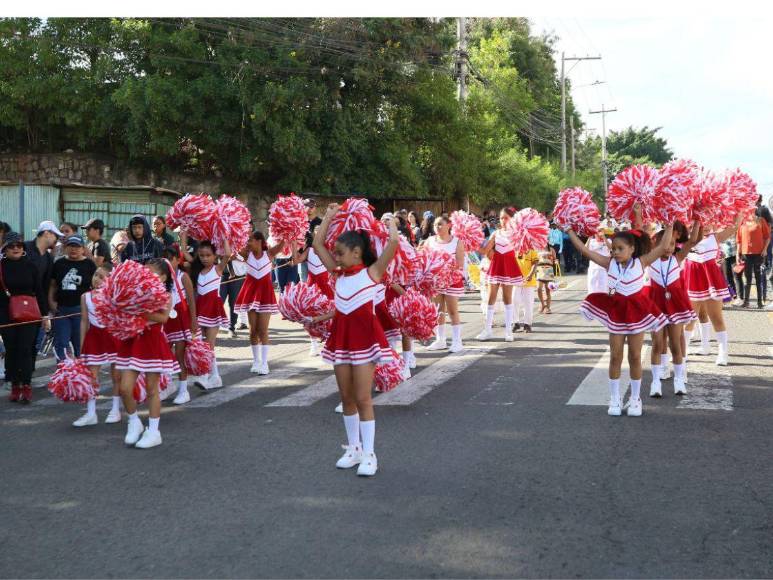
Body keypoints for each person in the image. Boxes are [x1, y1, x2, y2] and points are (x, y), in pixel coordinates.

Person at [309, 204, 399, 477]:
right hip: (342, 341)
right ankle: (354, 449)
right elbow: (317, 245)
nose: (335, 256)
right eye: (335, 253)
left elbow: (393, 244)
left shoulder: (372, 273)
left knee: (363, 398)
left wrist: (390, 223)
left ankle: (370, 454)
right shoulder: (338, 274)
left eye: (340, 252)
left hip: (365, 342)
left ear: (357, 252)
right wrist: (328, 216)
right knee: (346, 398)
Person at [566, 217, 674, 418]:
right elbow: (585, 251)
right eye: (614, 249)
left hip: (636, 313)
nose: (615, 252)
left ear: (632, 249)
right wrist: (569, 230)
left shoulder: (641, 262)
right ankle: (615, 398)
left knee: (635, 356)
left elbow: (662, 248)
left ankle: (635, 398)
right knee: (616, 356)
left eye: (620, 249)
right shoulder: (609, 264)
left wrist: (669, 225)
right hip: (616, 313)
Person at [117, 259, 179, 449]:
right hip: (133, 341)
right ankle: (134, 421)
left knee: (152, 389)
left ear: (163, 277)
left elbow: (163, 317)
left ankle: (154, 432)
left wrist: (138, 310)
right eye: (144, 273)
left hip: (152, 342)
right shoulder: (134, 293)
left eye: (151, 273)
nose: (145, 277)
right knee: (124, 388)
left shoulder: (166, 295)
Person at [648, 222, 701, 397]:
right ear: (655, 243)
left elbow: (692, 241)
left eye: (672, 244)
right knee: (657, 343)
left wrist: (698, 219)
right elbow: (641, 231)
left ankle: (679, 379)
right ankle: (655, 382)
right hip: (656, 304)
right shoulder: (650, 259)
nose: (669, 248)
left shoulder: (677, 258)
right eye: (665, 244)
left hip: (675, 305)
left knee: (675, 343)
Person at [683, 215, 741, 365]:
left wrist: (741, 209)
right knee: (689, 318)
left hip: (711, 281)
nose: (706, 226)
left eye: (708, 222)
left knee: (716, 317)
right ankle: (682, 352)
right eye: (701, 223)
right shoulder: (686, 240)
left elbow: (734, 227)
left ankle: (723, 353)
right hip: (692, 281)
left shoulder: (715, 237)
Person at [72, 264, 122, 427]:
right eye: (95, 275)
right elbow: (84, 321)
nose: (97, 279)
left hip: (113, 336)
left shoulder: (115, 296)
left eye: (102, 277)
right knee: (91, 376)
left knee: (116, 375)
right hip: (94, 337)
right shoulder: (85, 297)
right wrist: (82, 345)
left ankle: (115, 409)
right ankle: (91, 412)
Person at [0, 232, 44, 404]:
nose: (16, 248)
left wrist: (45, 315)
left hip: (29, 313)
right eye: (11, 246)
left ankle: (26, 385)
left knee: (26, 349)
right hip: (5, 314)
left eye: (19, 245)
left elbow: (39, 291)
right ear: (5, 249)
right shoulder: (1, 266)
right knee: (11, 349)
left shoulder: (31, 266)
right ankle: (14, 385)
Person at [234, 231, 282, 375]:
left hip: (265, 294)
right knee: (252, 330)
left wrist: (289, 228)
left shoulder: (269, 254)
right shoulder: (247, 254)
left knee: (263, 330)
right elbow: (232, 246)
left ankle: (264, 363)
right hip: (251, 293)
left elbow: (283, 243)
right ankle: (256, 361)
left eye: (250, 240)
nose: (248, 242)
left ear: (259, 241)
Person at [476, 207, 523, 342]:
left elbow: (523, 249)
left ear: (512, 219)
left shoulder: (517, 234)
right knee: (491, 298)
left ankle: (508, 331)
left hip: (508, 267)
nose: (503, 220)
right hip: (496, 266)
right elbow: (485, 250)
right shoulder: (496, 233)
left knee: (507, 299)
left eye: (506, 218)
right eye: (501, 218)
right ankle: (487, 330)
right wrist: (472, 242)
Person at [190, 239, 231, 389]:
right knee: (202, 344)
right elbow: (185, 254)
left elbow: (228, 254)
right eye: (201, 255)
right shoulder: (197, 271)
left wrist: (224, 237)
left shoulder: (217, 269)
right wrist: (184, 235)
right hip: (201, 309)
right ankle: (215, 377)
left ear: (215, 256)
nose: (205, 258)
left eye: (208, 255)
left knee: (209, 344)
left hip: (213, 309)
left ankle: (205, 376)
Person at [49, 235, 97, 361]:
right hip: (61, 309)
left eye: (77, 247)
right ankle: (63, 370)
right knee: (61, 344)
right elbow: (53, 285)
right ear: (65, 248)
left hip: (81, 311)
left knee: (80, 344)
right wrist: (51, 302)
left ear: (83, 249)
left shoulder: (89, 264)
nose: (73, 249)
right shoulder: (59, 263)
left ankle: (81, 370)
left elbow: (96, 287)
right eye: (71, 246)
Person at [161, 247, 198, 405]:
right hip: (166, 320)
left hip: (181, 319)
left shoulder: (183, 276)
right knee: (165, 354)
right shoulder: (162, 278)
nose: (168, 262)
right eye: (165, 259)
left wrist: (193, 321)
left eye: (171, 259)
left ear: (178, 260)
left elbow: (191, 300)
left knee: (179, 355)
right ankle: (167, 384)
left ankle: (184, 391)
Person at [424, 215, 466, 352]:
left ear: (449, 225)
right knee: (438, 310)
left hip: (451, 280)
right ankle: (440, 340)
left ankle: (457, 341)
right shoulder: (430, 241)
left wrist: (446, 270)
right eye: (435, 224)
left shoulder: (457, 242)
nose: (437, 227)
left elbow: (460, 264)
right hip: (435, 281)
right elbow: (424, 260)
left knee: (452, 310)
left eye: (440, 224)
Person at [25, 221, 60, 352]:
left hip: (36, 306)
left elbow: (45, 286)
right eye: (55, 235)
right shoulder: (24, 248)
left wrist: (45, 312)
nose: (57, 239)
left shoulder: (48, 258)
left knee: (34, 344)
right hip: (17, 304)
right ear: (46, 233)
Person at [736, 210, 770, 308]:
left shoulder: (761, 220)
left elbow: (767, 237)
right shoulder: (742, 221)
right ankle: (746, 302)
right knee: (748, 279)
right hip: (746, 254)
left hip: (759, 254)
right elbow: (739, 240)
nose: (749, 210)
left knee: (758, 279)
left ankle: (760, 303)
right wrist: (737, 254)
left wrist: (765, 249)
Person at [514, 247, 539, 333]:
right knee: (514, 301)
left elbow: (535, 263)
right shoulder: (513, 248)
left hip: (529, 280)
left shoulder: (532, 249)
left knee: (528, 303)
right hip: (515, 279)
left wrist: (530, 275)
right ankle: (515, 323)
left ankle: (527, 324)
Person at [299, 199, 321, 282]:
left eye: (311, 207)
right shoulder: (300, 222)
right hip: (303, 258)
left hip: (316, 258)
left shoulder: (321, 222)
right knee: (304, 282)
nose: (309, 209)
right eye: (307, 206)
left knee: (317, 283)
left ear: (315, 208)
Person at [586, 229, 611, 294]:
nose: (598, 233)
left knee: (604, 288)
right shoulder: (592, 241)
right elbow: (585, 250)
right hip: (593, 268)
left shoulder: (608, 240)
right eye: (597, 232)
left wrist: (604, 238)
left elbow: (611, 248)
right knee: (592, 288)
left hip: (604, 269)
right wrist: (589, 238)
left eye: (600, 231)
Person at [535, 244, 557, 314]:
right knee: (538, 288)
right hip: (539, 270)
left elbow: (554, 259)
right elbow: (534, 259)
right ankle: (542, 304)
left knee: (548, 290)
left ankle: (547, 307)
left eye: (546, 239)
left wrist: (556, 261)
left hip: (549, 271)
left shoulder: (551, 249)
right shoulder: (537, 249)